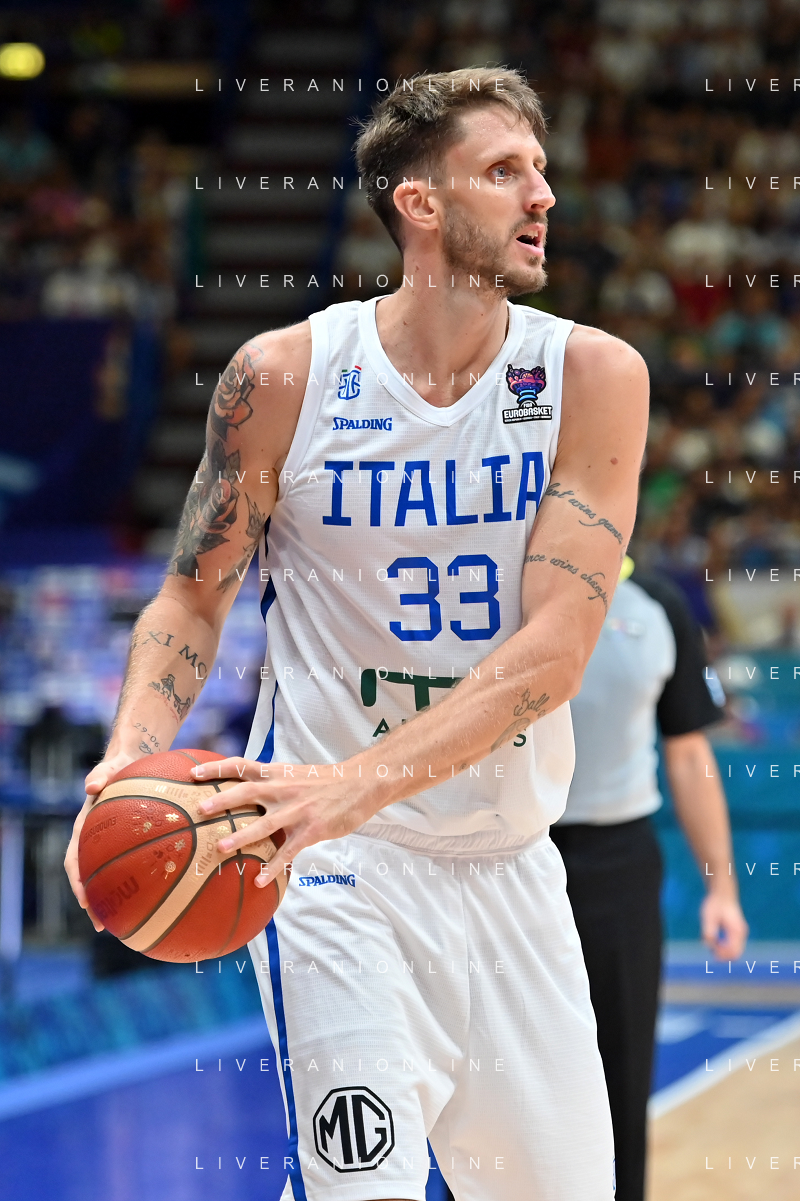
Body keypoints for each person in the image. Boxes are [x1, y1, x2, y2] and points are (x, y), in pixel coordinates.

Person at [66, 68, 649, 1201]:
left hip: (509, 862)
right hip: (335, 866)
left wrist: (350, 784)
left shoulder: (590, 375)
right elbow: (192, 594)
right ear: (418, 203)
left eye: (540, 170)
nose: (542, 195)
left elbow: (553, 652)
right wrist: (130, 755)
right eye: (504, 171)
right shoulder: (284, 377)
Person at [550, 556, 748, 1201]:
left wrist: (721, 889)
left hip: (619, 864)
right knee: (485, 1078)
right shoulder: (499, 587)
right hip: (506, 852)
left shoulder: (659, 605)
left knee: (620, 1075)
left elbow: (688, 754)